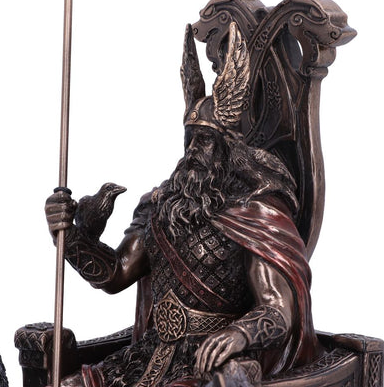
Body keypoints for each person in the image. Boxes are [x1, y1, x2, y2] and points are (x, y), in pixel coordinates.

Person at [45, 23, 322, 387]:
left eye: (204, 141)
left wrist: (239, 334)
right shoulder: (160, 207)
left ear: (227, 150)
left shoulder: (252, 213)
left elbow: (278, 310)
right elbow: (116, 273)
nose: (192, 151)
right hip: (148, 356)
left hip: (207, 364)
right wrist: (70, 237)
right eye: (190, 139)